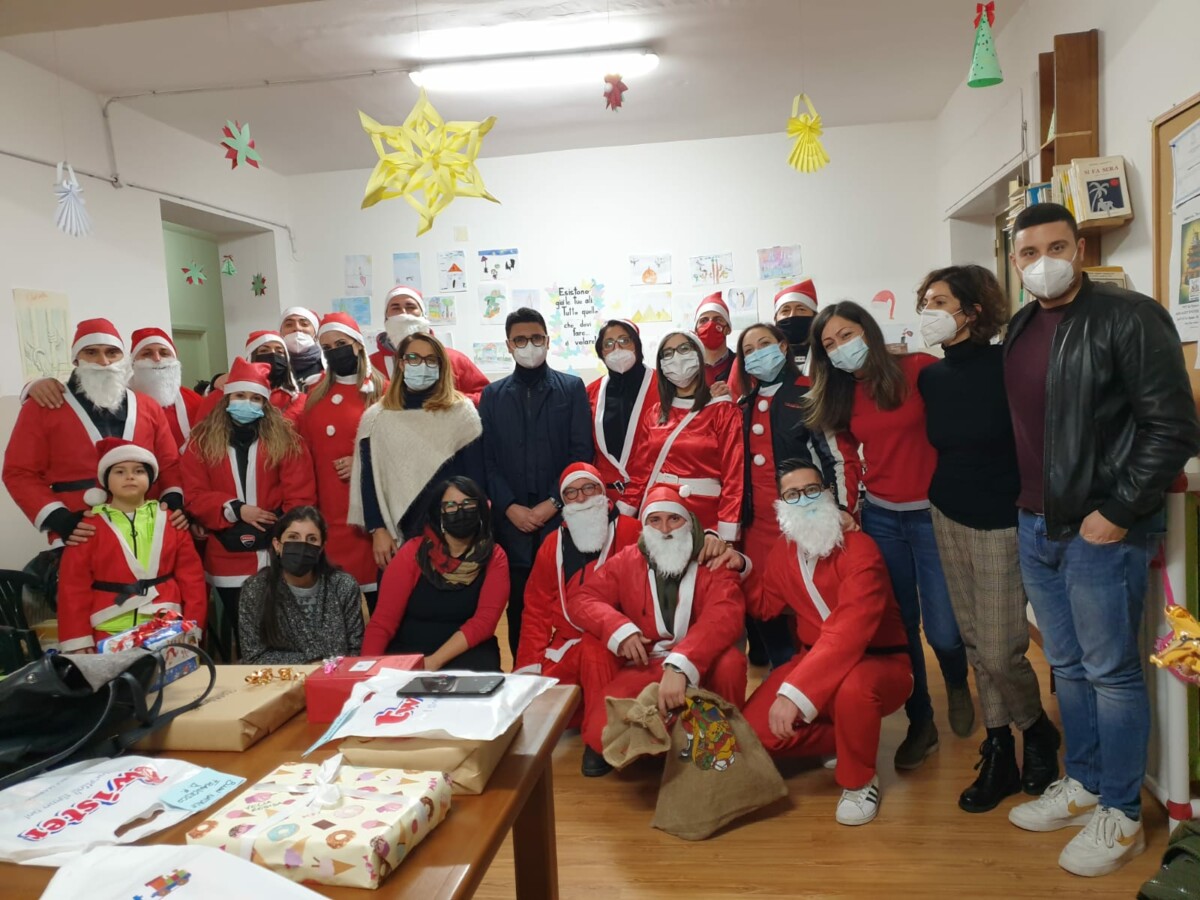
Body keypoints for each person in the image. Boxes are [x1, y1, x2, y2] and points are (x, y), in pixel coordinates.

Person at [1002, 203, 1200, 877]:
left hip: (1101, 529)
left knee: (1111, 672)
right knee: (1067, 665)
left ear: (1080, 249)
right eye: (1030, 253)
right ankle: (1084, 783)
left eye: (1056, 247)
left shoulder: (1129, 316)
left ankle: (1120, 812)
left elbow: (1172, 426)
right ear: (1016, 263)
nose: (1044, 262)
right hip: (1036, 523)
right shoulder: (1022, 324)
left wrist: (1118, 510)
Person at [914, 265, 1060, 814]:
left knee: (1001, 649)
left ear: (972, 311)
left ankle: (1037, 729)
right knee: (975, 642)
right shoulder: (931, 377)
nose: (929, 311)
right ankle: (999, 747)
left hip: (1001, 517)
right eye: (925, 301)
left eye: (940, 301)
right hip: (946, 510)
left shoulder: (1008, 364)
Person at [806, 300, 971, 770]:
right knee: (901, 627)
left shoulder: (918, 369)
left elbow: (959, 431)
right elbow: (845, 458)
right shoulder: (839, 393)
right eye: (830, 344)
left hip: (933, 516)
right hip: (881, 518)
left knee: (944, 630)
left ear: (868, 330)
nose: (840, 348)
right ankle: (922, 721)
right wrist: (845, 510)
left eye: (846, 335)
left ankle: (956, 679)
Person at [741, 458, 912, 825]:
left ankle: (859, 780)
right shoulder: (783, 552)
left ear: (828, 494)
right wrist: (740, 568)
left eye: (811, 490)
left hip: (879, 663)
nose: (804, 500)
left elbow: (850, 629)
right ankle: (845, 737)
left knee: (853, 688)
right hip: (812, 661)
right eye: (793, 495)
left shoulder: (860, 548)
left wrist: (795, 693)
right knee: (754, 733)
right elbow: (765, 604)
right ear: (781, 506)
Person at [570, 484, 748, 776]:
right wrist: (619, 629)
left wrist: (680, 666)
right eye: (655, 520)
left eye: (674, 519)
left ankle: (727, 739)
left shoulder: (713, 559)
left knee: (730, 661)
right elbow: (582, 598)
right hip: (646, 661)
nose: (665, 529)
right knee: (599, 734)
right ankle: (667, 741)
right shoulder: (628, 559)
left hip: (700, 663)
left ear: (688, 521)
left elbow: (724, 616)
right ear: (645, 526)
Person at [734, 321, 860, 669]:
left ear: (783, 347)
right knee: (765, 602)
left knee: (814, 599)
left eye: (764, 344)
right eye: (748, 350)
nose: (757, 354)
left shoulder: (811, 392)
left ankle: (820, 672)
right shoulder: (742, 404)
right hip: (756, 526)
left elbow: (839, 457)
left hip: (807, 517)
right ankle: (783, 670)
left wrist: (844, 508)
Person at [3, 318, 186, 549]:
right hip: (79, 528)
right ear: (76, 359)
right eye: (91, 352)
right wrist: (58, 518)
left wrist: (172, 498)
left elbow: (169, 464)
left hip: (145, 526)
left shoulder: (148, 406)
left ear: (122, 357)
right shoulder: (43, 406)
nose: (103, 361)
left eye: (112, 353)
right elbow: (19, 472)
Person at [479, 307, 593, 657]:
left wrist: (553, 502)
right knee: (519, 603)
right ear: (508, 345)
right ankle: (524, 669)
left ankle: (566, 670)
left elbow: (581, 453)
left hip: (560, 514)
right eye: (520, 340)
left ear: (547, 339)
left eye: (536, 338)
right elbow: (486, 460)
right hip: (511, 519)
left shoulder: (571, 388)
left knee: (567, 597)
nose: (530, 346)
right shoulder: (492, 395)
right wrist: (508, 506)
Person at [180, 357, 316, 645]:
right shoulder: (200, 443)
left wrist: (283, 534)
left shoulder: (288, 441)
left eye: (255, 398)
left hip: (275, 554)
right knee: (245, 635)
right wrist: (237, 509)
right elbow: (194, 495)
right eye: (240, 395)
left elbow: (301, 497)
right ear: (227, 399)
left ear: (265, 403)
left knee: (284, 633)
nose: (247, 403)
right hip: (225, 555)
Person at [349, 331, 484, 588]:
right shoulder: (376, 418)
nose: (422, 365)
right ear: (401, 363)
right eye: (413, 358)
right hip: (397, 531)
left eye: (431, 360)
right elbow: (369, 481)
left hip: (453, 528)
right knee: (398, 601)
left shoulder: (461, 412)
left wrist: (468, 529)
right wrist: (378, 530)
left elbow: (475, 478)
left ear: (441, 366)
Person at [56, 439, 207, 653]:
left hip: (167, 628)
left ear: (150, 478)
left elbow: (193, 580)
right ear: (106, 481)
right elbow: (73, 586)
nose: (130, 476)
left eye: (139, 471)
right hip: (106, 630)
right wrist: (78, 640)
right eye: (119, 471)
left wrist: (193, 627)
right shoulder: (87, 526)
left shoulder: (171, 520)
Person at [514, 463, 642, 701]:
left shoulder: (632, 532)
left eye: (588, 488)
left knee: (597, 660)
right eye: (571, 492)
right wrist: (529, 665)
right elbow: (536, 610)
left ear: (602, 490)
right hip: (568, 646)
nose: (581, 498)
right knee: (534, 703)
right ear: (564, 500)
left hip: (620, 643)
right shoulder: (552, 544)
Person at [363, 476, 507, 670]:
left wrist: (434, 661)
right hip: (410, 651)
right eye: (450, 506)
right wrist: (366, 671)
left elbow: (484, 622)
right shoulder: (413, 552)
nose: (460, 511)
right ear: (439, 513)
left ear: (481, 510)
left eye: (468, 504)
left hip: (467, 651)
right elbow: (383, 622)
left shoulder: (494, 557)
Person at [297, 313, 387, 609]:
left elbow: (399, 450)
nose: (334, 351)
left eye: (340, 344)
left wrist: (362, 462)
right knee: (337, 609)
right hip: (328, 514)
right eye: (326, 347)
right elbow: (304, 454)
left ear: (358, 344)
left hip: (370, 516)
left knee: (381, 603)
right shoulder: (314, 395)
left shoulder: (383, 391)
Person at [624, 330, 744, 552]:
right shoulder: (655, 413)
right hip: (660, 514)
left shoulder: (723, 410)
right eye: (667, 353)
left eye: (684, 349)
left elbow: (734, 477)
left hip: (706, 518)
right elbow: (640, 473)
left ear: (698, 355)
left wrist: (726, 533)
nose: (676, 358)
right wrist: (623, 513)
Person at [19, 327, 201, 453]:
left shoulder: (196, 402)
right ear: (132, 362)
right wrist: (33, 385)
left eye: (164, 353)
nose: (157, 359)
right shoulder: (113, 395)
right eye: (146, 353)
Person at [237, 506, 365, 665]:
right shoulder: (256, 588)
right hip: (277, 678)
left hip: (334, 676)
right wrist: (311, 662)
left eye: (312, 539)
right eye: (293, 537)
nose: (302, 546)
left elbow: (355, 650)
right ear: (277, 545)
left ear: (321, 548)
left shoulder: (343, 586)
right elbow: (253, 655)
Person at [368, 286, 490, 404]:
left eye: (410, 307)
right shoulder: (371, 365)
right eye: (395, 308)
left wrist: (453, 403)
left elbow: (487, 397)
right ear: (386, 317)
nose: (404, 313)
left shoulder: (454, 359)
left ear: (423, 313)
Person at [586, 319, 658, 512]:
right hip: (606, 501)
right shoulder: (591, 392)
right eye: (608, 344)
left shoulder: (663, 384)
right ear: (601, 352)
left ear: (637, 344)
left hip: (654, 497)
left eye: (624, 340)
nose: (616, 348)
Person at [727, 279, 821, 391]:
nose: (792, 315)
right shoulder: (751, 358)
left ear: (815, 317)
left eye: (801, 309)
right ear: (776, 319)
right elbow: (736, 396)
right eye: (785, 311)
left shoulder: (825, 353)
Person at [694, 292, 735, 392]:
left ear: (728, 329)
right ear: (696, 331)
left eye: (718, 319)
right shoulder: (688, 369)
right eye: (703, 320)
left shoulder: (741, 364)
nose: (710, 324)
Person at [279, 307, 326, 389]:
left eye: (304, 324)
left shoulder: (328, 364)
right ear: (280, 333)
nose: (297, 328)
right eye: (289, 325)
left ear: (316, 334)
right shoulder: (275, 365)